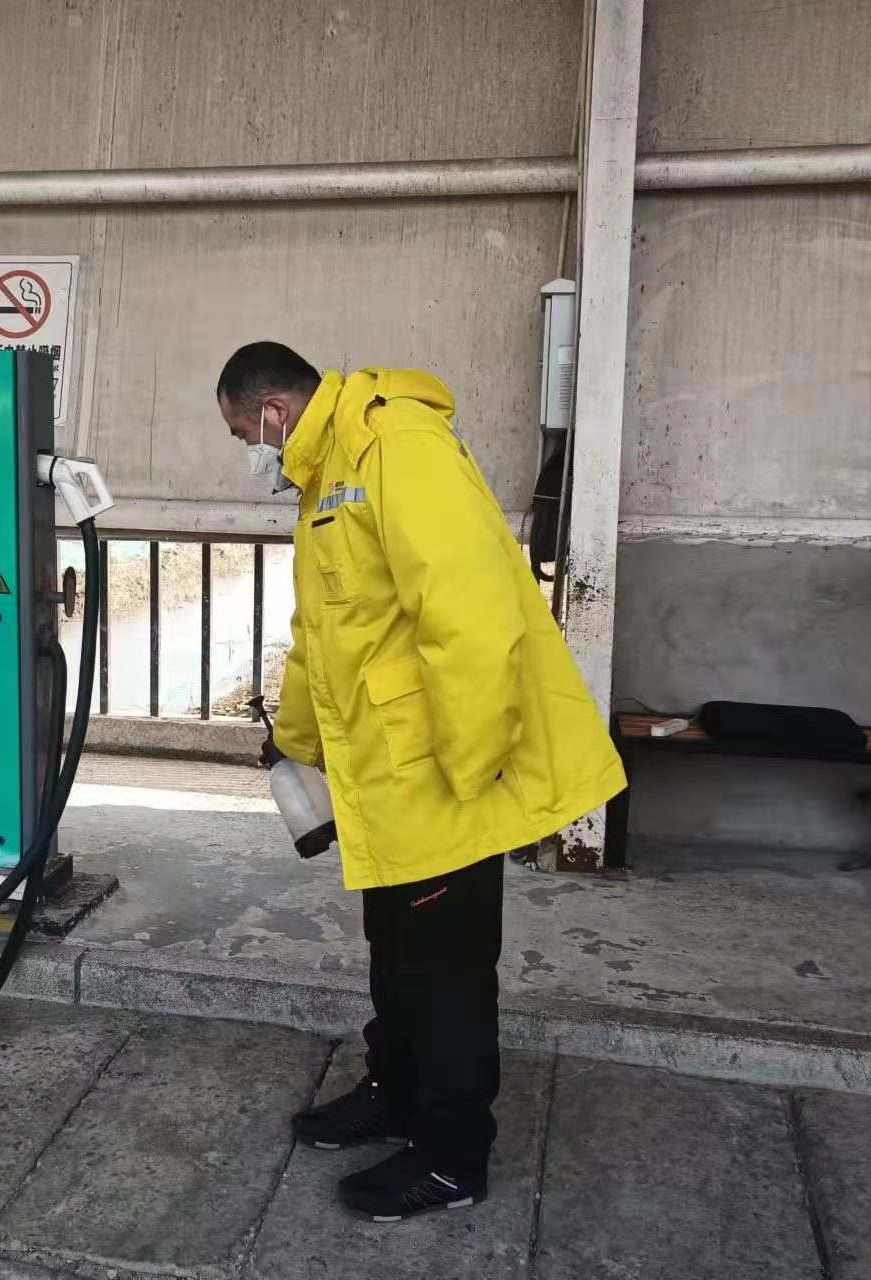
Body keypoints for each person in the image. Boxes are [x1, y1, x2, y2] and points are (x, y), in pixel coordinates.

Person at [216, 342, 626, 1222]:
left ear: (274, 413)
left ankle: (451, 1157)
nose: (251, 451)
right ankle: (397, 1093)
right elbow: (323, 632)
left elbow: (470, 612)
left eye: (244, 434)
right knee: (398, 951)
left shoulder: (396, 446)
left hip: (443, 769)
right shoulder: (329, 474)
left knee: (446, 973)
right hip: (388, 775)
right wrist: (293, 743)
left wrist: (470, 770)